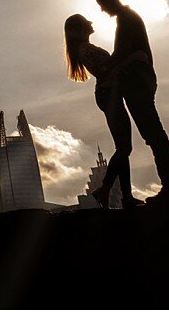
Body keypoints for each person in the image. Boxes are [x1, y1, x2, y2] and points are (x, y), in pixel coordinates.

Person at [94, 0, 169, 204]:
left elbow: (125, 49)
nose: (102, 11)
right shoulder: (127, 18)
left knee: (154, 134)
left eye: (102, 5)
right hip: (140, 80)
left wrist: (107, 67)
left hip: (137, 81)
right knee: (153, 135)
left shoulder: (126, 18)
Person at [64, 13, 134, 208]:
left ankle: (124, 195)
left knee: (124, 147)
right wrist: (122, 56)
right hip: (108, 94)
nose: (92, 21)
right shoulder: (83, 49)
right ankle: (107, 190)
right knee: (124, 147)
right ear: (79, 29)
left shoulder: (84, 48)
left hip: (111, 94)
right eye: (87, 21)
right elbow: (104, 68)